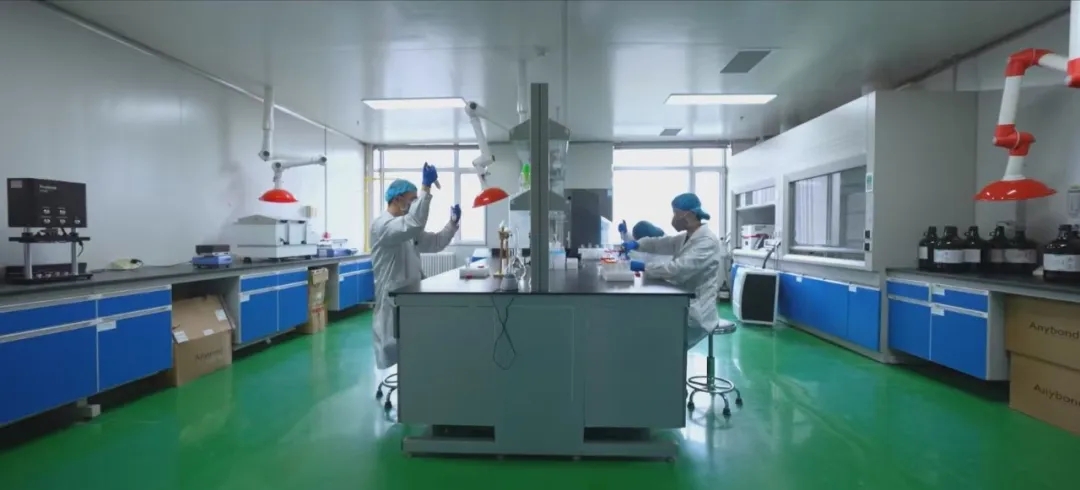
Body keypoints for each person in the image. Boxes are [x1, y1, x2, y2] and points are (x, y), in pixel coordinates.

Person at [370, 163, 460, 369]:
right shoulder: (383, 226)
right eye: (412, 200)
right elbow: (415, 222)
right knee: (398, 346)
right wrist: (426, 188)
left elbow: (435, 243)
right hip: (393, 296)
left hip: (411, 293)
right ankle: (408, 384)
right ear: (397, 199)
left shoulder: (406, 228)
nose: (413, 204)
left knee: (413, 348)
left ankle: (413, 381)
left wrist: (452, 224)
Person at [621, 193, 721, 350]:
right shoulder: (685, 237)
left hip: (698, 313)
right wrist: (636, 244)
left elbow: (678, 270)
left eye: (676, 213)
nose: (674, 218)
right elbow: (659, 243)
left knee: (665, 348)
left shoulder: (707, 241)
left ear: (690, 214)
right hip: (683, 303)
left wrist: (644, 267)